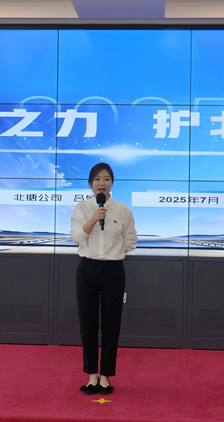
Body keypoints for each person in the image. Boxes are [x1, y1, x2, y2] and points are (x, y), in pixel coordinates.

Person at [70, 162, 138, 396]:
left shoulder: (122, 210)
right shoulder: (82, 208)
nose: (102, 183)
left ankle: (106, 376)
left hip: (113, 270)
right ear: (90, 183)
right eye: (98, 179)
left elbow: (130, 240)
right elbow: (77, 238)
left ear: (112, 183)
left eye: (107, 179)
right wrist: (93, 218)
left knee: (111, 324)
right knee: (87, 324)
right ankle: (92, 376)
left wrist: (115, 253)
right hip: (87, 268)